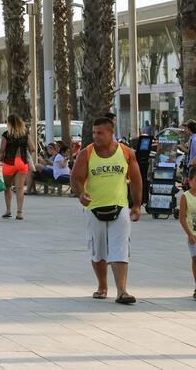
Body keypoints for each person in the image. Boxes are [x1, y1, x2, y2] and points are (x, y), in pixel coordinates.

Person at [71, 116, 142, 304]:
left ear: (111, 133)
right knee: (99, 251)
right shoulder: (87, 153)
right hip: (94, 208)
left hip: (120, 207)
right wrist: (81, 194)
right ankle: (102, 286)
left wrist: (136, 204)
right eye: (94, 133)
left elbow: (135, 179)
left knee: (121, 249)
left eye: (100, 133)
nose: (96, 136)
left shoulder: (126, 153)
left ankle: (122, 291)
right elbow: (76, 178)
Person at [0, 113, 30, 219]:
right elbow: (33, 148)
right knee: (20, 188)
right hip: (22, 162)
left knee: (7, 187)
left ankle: (8, 210)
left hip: (9, 163)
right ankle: (19, 212)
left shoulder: (6, 135)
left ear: (9, 123)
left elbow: (1, 151)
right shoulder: (25, 134)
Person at [178, 167, 196, 299]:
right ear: (189, 181)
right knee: (195, 260)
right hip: (193, 235)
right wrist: (189, 234)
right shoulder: (186, 197)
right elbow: (182, 217)